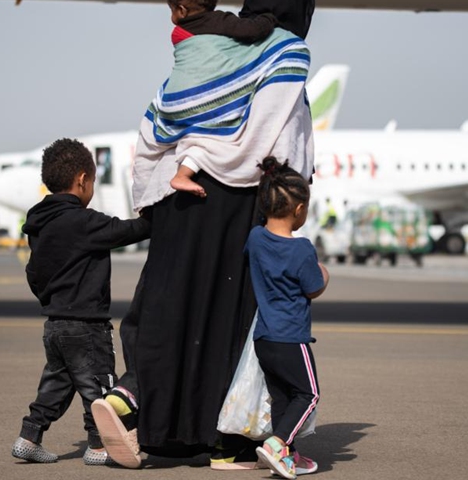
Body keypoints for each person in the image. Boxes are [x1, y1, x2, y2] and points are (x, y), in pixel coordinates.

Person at [91, 0, 316, 471]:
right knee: (225, 323)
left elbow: (158, 120)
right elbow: (284, 146)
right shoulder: (285, 57)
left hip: (179, 194)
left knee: (167, 306)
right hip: (238, 205)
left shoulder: (209, 48)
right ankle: (223, 442)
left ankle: (131, 399)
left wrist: (156, 186)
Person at [11, 138, 151, 466]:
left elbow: (34, 273)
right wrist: (159, 215)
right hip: (87, 324)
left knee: (56, 384)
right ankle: (99, 446)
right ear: (82, 180)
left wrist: (53, 300)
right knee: (99, 385)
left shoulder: (39, 225)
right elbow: (129, 231)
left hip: (55, 325)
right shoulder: (84, 221)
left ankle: (28, 437)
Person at [246, 157, 328, 479]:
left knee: (281, 397)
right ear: (299, 210)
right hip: (291, 338)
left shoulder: (255, 238)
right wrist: (325, 274)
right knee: (308, 394)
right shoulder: (302, 249)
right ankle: (277, 444)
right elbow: (313, 287)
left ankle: (288, 456)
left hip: (264, 338)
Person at [166, 0, 278, 197]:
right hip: (205, 99)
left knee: (196, 140)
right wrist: (269, 18)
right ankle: (184, 174)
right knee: (212, 141)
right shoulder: (221, 21)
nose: (171, 18)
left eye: (172, 11)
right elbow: (252, 31)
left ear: (182, 11)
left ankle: (182, 175)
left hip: (178, 99)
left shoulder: (183, 28)